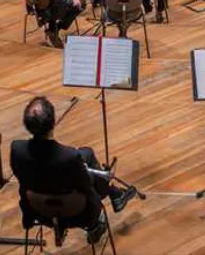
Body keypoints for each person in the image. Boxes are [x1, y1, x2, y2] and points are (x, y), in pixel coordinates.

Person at [10, 96, 137, 245]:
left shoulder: (17, 149)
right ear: (53, 122)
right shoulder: (69, 157)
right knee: (90, 163)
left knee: (85, 158)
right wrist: (104, 181)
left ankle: (115, 195)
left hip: (38, 212)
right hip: (79, 214)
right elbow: (88, 187)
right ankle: (103, 212)